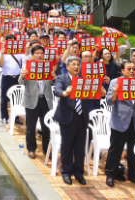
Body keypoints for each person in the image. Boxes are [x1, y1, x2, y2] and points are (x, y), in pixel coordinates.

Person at [54, 56, 106, 185]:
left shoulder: (84, 80)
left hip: (82, 116)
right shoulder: (62, 78)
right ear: (67, 66)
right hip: (67, 117)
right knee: (67, 145)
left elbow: (95, 94)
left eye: (78, 64)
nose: (76, 67)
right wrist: (65, 92)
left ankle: (78, 173)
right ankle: (66, 172)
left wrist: (102, 92)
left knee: (80, 146)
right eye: (73, 64)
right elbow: (57, 91)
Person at [105, 60, 135, 187]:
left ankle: (132, 174)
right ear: (122, 70)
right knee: (116, 149)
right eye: (128, 69)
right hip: (120, 120)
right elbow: (109, 102)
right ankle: (110, 174)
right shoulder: (115, 82)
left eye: (133, 69)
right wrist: (115, 93)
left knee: (133, 149)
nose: (131, 71)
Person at [19, 44, 55, 159]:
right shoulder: (27, 66)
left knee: (46, 127)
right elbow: (20, 82)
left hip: (46, 100)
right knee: (30, 127)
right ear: (32, 55)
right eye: (37, 53)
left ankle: (47, 149)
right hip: (31, 100)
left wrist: (54, 78)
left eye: (41, 53)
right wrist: (23, 76)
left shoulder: (48, 66)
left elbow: (54, 83)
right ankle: (31, 149)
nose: (39, 55)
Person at [0, 34, 26, 125]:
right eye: (8, 40)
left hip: (17, 77)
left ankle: (16, 117)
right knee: (4, 99)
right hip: (6, 77)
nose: (11, 42)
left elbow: (25, 60)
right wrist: (2, 53)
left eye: (13, 40)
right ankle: (4, 117)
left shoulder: (19, 52)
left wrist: (26, 49)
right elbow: (1, 63)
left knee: (17, 98)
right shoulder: (3, 52)